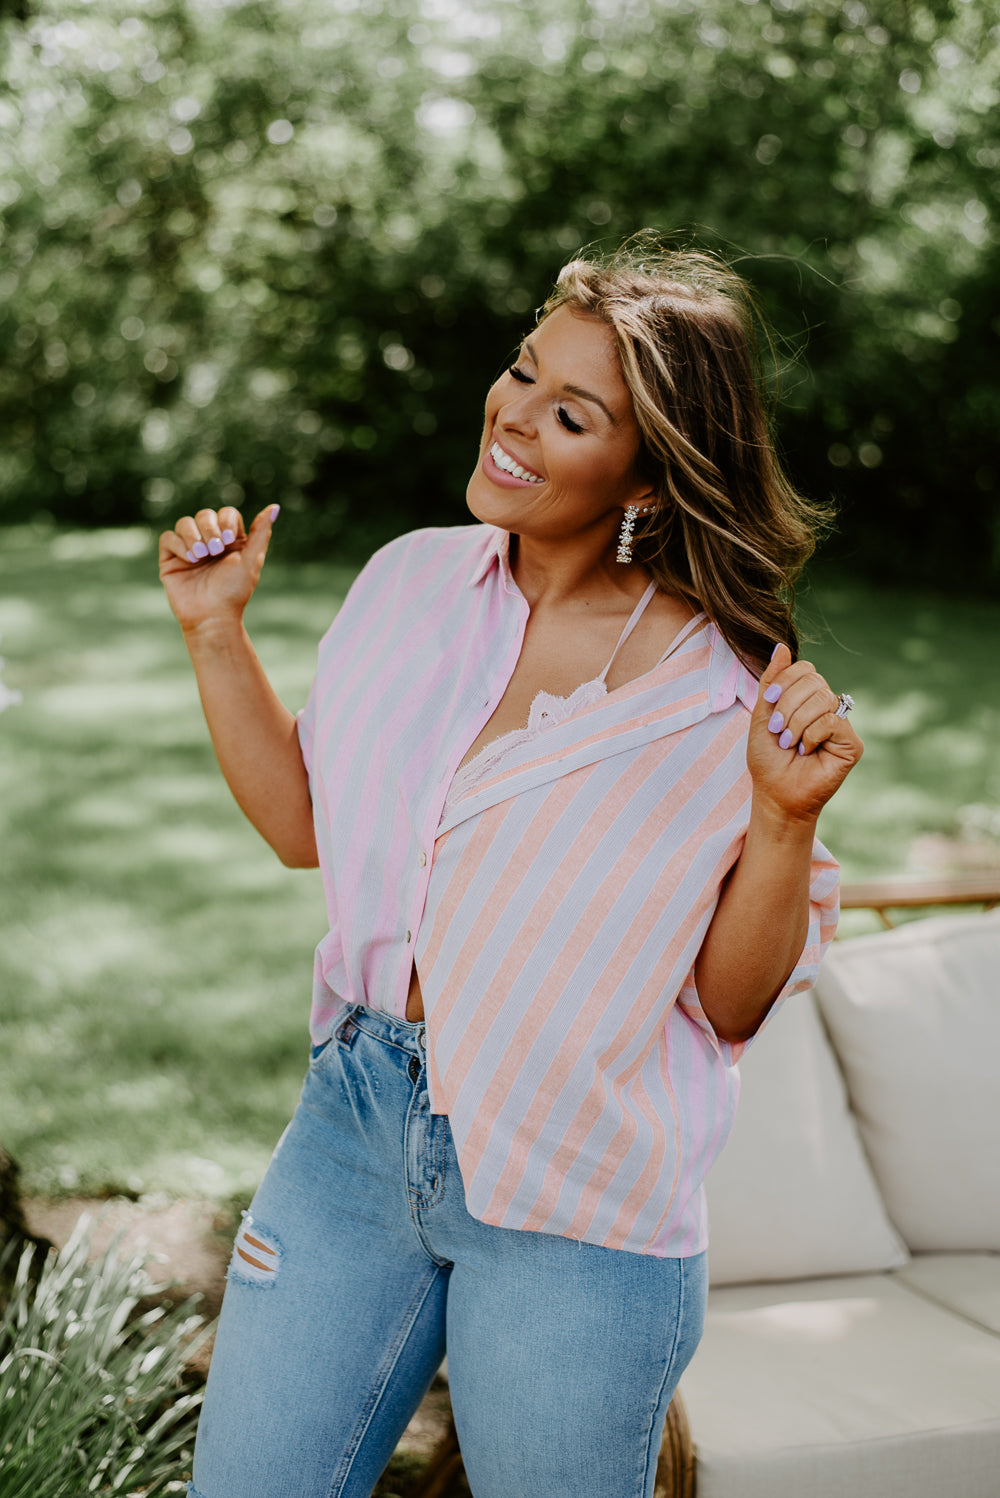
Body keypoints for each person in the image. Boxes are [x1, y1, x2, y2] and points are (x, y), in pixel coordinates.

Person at [158, 240, 862, 1498]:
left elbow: (730, 1001)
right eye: (524, 371)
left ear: (649, 471)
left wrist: (781, 817)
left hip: (577, 1182)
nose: (516, 416)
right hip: (357, 1122)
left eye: (573, 413)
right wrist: (216, 633)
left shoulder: (716, 693)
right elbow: (304, 824)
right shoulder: (409, 582)